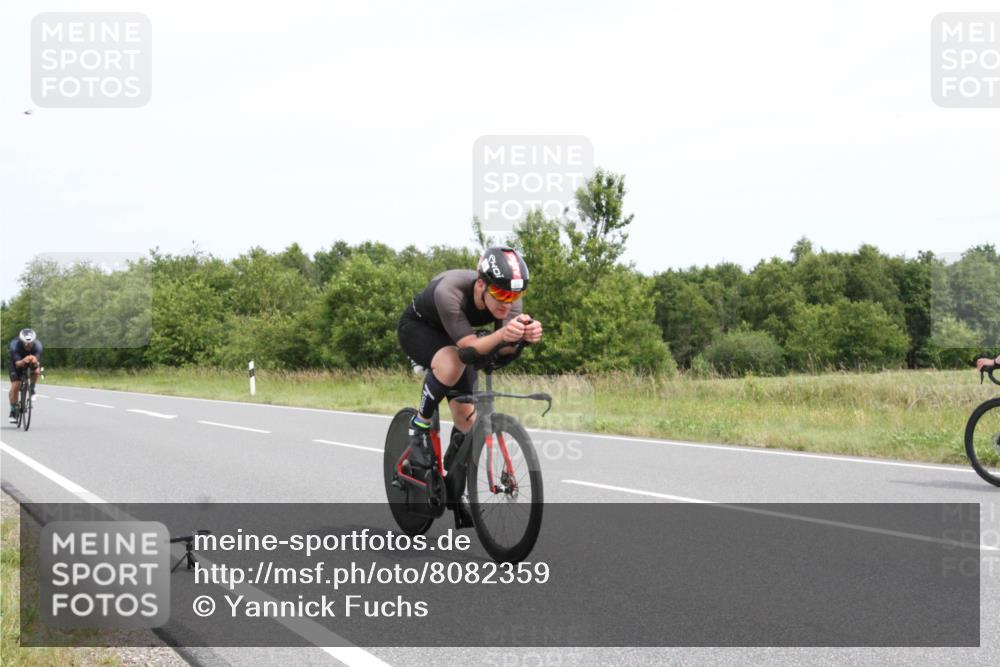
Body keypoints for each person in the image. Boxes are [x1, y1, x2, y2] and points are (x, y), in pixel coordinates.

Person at [397, 247, 543, 521]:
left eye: (514, 296)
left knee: (466, 417)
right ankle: (418, 426)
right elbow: (467, 351)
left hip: (463, 338)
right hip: (421, 330)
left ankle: (455, 489)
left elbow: (500, 354)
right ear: (480, 284)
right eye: (499, 294)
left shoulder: (509, 299)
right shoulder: (450, 290)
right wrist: (502, 334)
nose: (507, 304)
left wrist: (524, 337)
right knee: (452, 362)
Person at [9, 328, 42, 423]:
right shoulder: (15, 346)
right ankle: (13, 410)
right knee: (16, 385)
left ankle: (32, 388)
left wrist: (34, 361)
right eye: (25, 343)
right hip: (16, 363)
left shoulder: (38, 346)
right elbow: (18, 363)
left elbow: (36, 360)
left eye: (30, 343)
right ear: (21, 341)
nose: (27, 345)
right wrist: (24, 360)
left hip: (30, 360)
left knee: (36, 371)